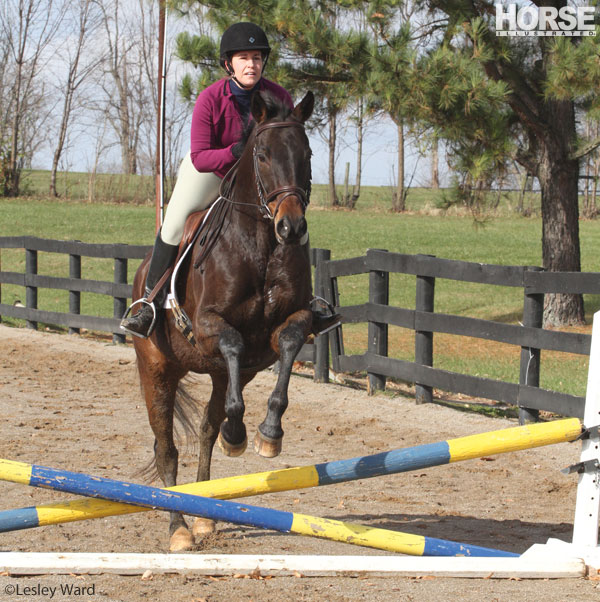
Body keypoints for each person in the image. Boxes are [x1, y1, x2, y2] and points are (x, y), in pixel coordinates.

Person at [120, 22, 293, 338]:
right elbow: (200, 156)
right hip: (213, 172)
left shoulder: (278, 96)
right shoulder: (210, 98)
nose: (251, 65)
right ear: (229, 63)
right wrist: (235, 151)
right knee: (174, 225)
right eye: (243, 58)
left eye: (256, 58)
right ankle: (150, 303)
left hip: (258, 180)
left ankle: (308, 301)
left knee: (293, 219)